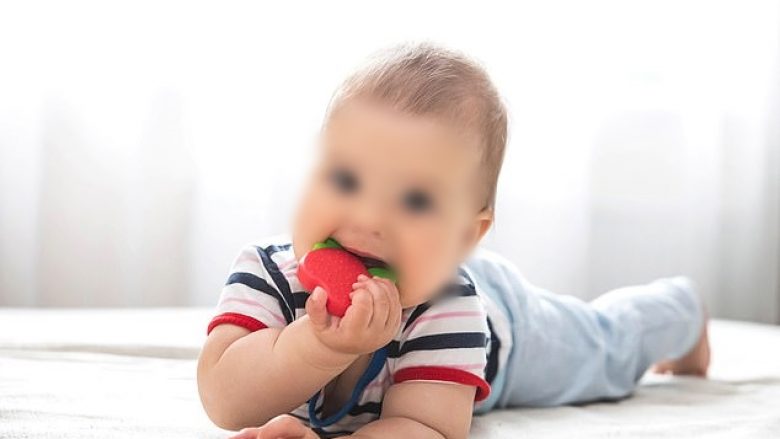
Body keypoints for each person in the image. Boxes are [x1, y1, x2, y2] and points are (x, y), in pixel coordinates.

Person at [196, 42, 710, 439]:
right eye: (347, 181)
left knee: (605, 348)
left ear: (467, 233)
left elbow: (428, 426)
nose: (370, 218)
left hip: (507, 330)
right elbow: (224, 399)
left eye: (416, 201)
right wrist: (315, 346)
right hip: (418, 266)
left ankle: (680, 311)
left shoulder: (448, 310)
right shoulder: (269, 272)